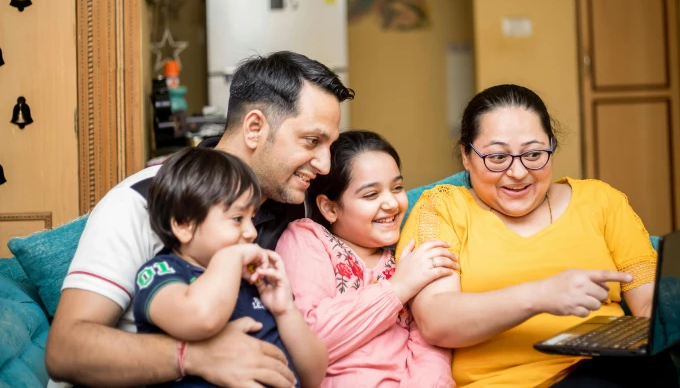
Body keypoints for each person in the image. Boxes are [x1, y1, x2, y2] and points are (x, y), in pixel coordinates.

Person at [46, 51, 353, 387]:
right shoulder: (145, 200)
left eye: (329, 146)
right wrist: (194, 356)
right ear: (254, 128)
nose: (324, 165)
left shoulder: (302, 208)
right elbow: (65, 350)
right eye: (312, 141)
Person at [397, 84, 680, 388]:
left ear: (552, 147)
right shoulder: (442, 208)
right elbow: (436, 321)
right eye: (497, 157)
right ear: (467, 157)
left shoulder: (601, 201)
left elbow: (647, 307)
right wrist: (540, 295)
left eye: (534, 154)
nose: (518, 172)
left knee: (649, 366)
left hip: (607, 370)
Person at [275, 130, 458, 388]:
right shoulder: (307, 240)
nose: (392, 203)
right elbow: (310, 340)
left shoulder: (406, 253)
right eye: (371, 195)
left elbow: (431, 347)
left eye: (397, 187)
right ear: (330, 208)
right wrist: (398, 287)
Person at [134, 147, 326, 388]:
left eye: (252, 218)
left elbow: (314, 375)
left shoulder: (254, 281)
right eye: (237, 219)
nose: (252, 232)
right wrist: (230, 260)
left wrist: (285, 309)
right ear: (183, 225)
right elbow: (201, 318)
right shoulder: (162, 273)